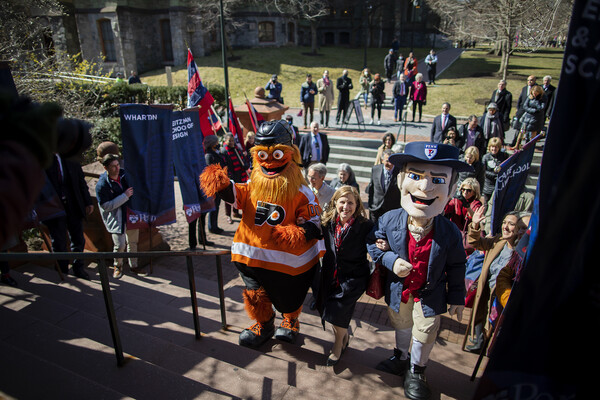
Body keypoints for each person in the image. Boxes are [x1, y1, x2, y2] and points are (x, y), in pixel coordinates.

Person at [199, 120, 325, 348]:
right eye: (263, 156)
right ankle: (265, 325)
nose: (269, 162)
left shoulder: (302, 191)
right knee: (255, 295)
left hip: (286, 263)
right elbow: (240, 195)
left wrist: (297, 233)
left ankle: (290, 320)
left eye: (276, 154)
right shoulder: (253, 182)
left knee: (288, 297)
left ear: (290, 153)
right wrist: (223, 184)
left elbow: (316, 224)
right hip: (251, 256)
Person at [367, 141, 472, 400]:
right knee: (401, 324)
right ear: (402, 179)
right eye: (415, 176)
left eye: (437, 180)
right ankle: (401, 356)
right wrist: (390, 259)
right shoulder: (389, 219)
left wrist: (457, 297)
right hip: (399, 290)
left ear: (451, 187)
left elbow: (458, 265)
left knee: (425, 331)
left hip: (429, 292)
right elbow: (373, 243)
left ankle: (417, 369)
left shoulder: (449, 232)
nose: (425, 188)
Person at [316, 185, 374, 365]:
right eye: (342, 202)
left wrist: (382, 245)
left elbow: (374, 242)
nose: (346, 207)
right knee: (333, 311)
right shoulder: (328, 222)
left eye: (351, 202)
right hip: (330, 275)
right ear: (335, 202)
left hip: (353, 279)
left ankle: (337, 345)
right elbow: (313, 233)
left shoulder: (365, 226)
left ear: (357, 205)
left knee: (336, 310)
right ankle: (344, 336)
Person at [463, 208, 523, 354]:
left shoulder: (520, 253)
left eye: (511, 224)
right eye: (504, 223)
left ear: (519, 229)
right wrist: (475, 225)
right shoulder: (497, 241)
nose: (506, 227)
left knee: (495, 323)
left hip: (501, 294)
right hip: (486, 288)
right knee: (480, 313)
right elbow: (475, 242)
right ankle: (479, 341)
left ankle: (491, 348)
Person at [43, 151, 94, 280]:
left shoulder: (71, 156)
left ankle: (79, 268)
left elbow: (81, 181)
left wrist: (88, 202)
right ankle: (62, 270)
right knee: (58, 242)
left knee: (78, 239)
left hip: (74, 205)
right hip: (54, 207)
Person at [95, 153, 141, 278]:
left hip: (130, 215)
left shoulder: (125, 175)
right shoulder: (102, 185)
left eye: (117, 165)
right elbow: (106, 206)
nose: (116, 168)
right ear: (105, 168)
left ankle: (134, 266)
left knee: (133, 242)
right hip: (117, 218)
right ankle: (118, 266)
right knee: (120, 245)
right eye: (113, 166)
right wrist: (125, 196)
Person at [444, 177, 483, 254]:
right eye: (463, 189)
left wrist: (468, 207)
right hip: (454, 235)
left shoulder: (476, 203)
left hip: (468, 237)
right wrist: (447, 198)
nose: (465, 192)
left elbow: (475, 217)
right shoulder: (456, 200)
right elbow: (445, 210)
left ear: (474, 192)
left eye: (469, 190)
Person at [367, 149, 401, 223]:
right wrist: (370, 206)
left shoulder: (400, 172)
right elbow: (371, 188)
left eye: (392, 161)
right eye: (387, 161)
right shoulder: (375, 169)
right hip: (376, 208)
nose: (390, 164)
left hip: (392, 210)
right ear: (382, 160)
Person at [221, 132, 248, 224]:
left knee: (237, 195)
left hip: (239, 175)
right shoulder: (224, 151)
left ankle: (235, 212)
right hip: (230, 177)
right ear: (225, 141)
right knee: (229, 197)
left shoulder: (237, 149)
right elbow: (224, 165)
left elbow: (243, 160)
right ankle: (228, 215)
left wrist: (245, 165)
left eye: (233, 140)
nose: (232, 142)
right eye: (230, 141)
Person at [203, 134, 225, 234]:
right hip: (214, 186)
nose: (218, 144)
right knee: (213, 207)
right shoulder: (209, 156)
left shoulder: (216, 153)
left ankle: (215, 225)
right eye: (216, 143)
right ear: (212, 144)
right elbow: (210, 170)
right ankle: (212, 227)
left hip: (219, 185)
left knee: (217, 206)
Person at [513, 85, 545, 150]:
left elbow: (541, 108)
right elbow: (525, 106)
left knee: (533, 133)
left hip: (535, 119)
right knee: (522, 131)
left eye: (536, 93)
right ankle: (517, 145)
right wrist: (532, 110)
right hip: (527, 117)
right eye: (533, 93)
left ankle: (530, 147)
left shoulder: (542, 98)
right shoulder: (529, 97)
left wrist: (536, 101)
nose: (534, 94)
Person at [481, 137, 508, 205]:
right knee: (486, 204)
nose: (494, 149)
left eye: (496, 147)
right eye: (492, 147)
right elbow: (483, 171)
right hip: (488, 185)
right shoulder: (486, 157)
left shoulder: (503, 156)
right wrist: (495, 175)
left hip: (499, 184)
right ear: (489, 147)